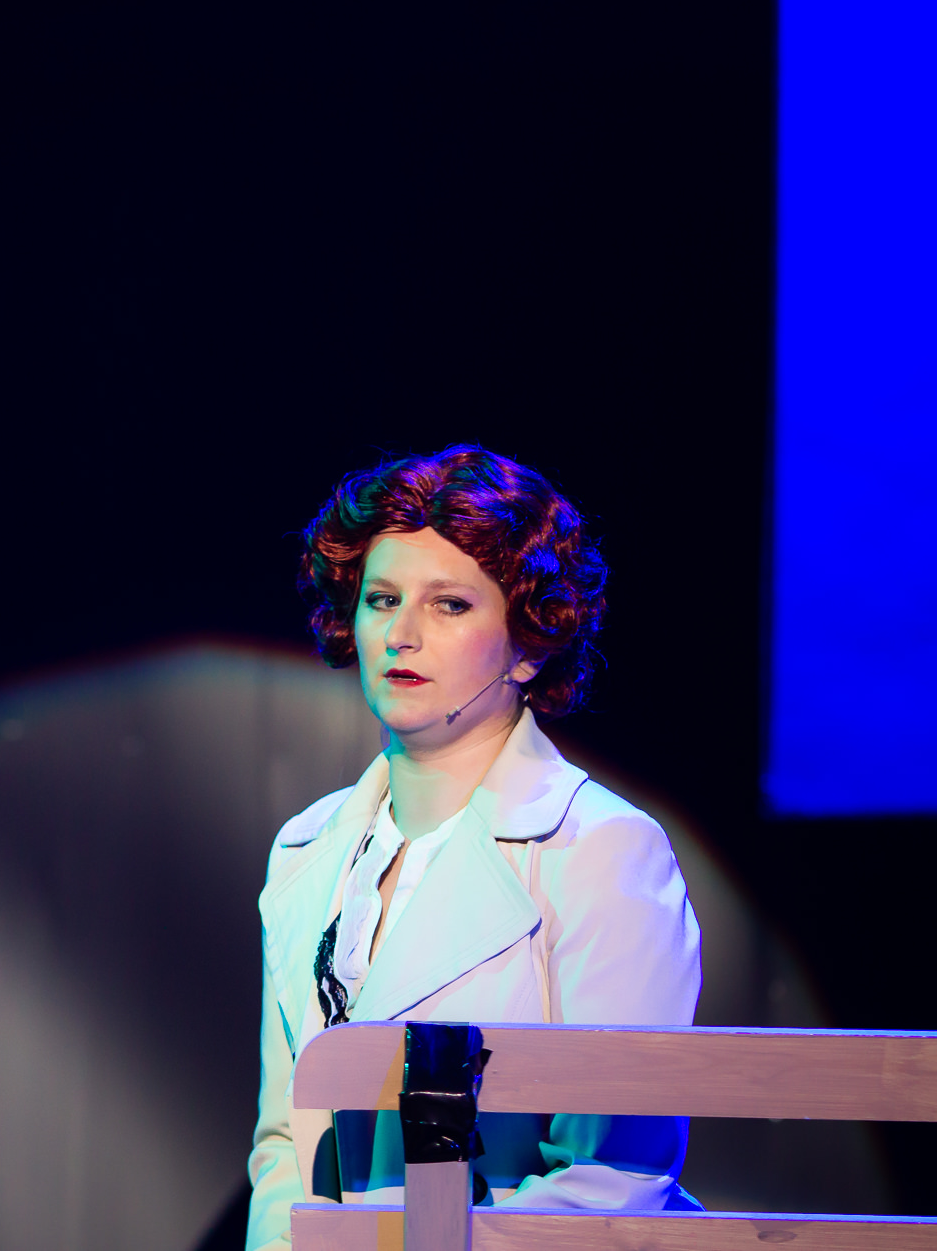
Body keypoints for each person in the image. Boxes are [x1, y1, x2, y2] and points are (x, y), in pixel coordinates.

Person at [245, 445, 700, 1248]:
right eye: (382, 599)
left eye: (449, 605)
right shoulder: (307, 848)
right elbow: (286, 1143)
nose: (402, 634)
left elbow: (613, 1180)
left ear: (529, 643)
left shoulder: (603, 850)